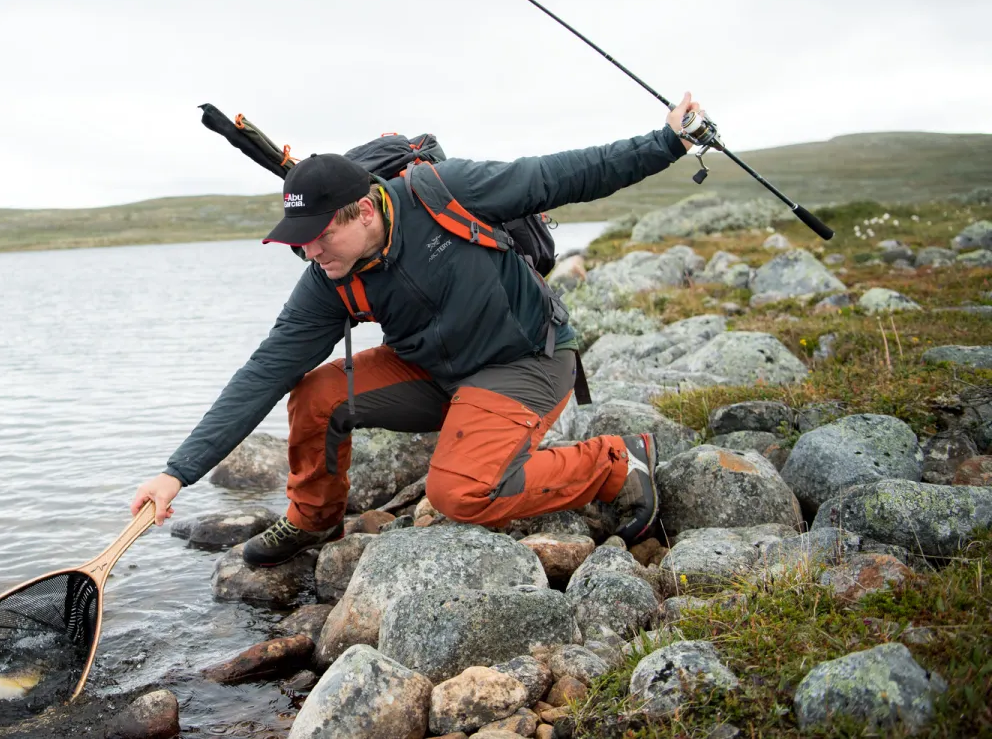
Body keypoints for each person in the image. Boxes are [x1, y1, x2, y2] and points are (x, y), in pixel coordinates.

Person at [132, 94, 704, 567]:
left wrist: (667, 141)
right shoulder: (326, 277)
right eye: (297, 239)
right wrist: (176, 473)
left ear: (362, 210)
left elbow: (567, 174)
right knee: (314, 396)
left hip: (525, 358)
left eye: (318, 235)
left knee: (460, 493)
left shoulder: (444, 192)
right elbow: (264, 372)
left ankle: (613, 462)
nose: (308, 251)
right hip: (433, 370)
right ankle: (313, 520)